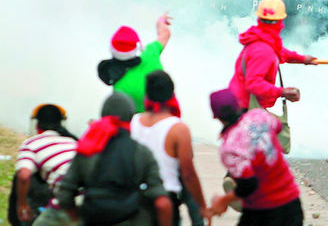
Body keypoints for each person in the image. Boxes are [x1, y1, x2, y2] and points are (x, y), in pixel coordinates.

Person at [57, 93, 173, 225]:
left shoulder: (87, 149)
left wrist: (77, 218)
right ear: (131, 117)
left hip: (93, 217)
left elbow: (65, 195)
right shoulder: (142, 152)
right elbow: (162, 204)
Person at [208, 89, 303, 225]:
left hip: (263, 210)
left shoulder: (229, 148)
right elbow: (277, 128)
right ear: (239, 105)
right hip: (291, 201)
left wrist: (223, 201)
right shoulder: (260, 116)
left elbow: (248, 185)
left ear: (215, 116)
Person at [131, 70, 211, 225]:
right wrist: (202, 206)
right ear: (171, 93)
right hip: (165, 202)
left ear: (147, 94)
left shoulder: (134, 122)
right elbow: (188, 174)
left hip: (134, 200)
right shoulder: (178, 129)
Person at [228, 0, 316, 110]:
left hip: (241, 103)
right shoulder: (263, 50)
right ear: (280, 21)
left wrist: (302, 59)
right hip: (245, 108)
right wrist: (282, 92)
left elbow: (278, 51)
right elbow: (254, 83)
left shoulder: (261, 38)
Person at [13, 104, 77, 225]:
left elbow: (23, 176)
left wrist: (22, 204)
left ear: (37, 124)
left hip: (68, 202)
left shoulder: (31, 143)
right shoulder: (73, 142)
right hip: (92, 198)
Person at [97, 13, 172, 112]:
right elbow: (165, 34)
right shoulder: (150, 54)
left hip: (139, 125)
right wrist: (160, 21)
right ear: (136, 48)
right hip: (166, 119)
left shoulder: (119, 86)